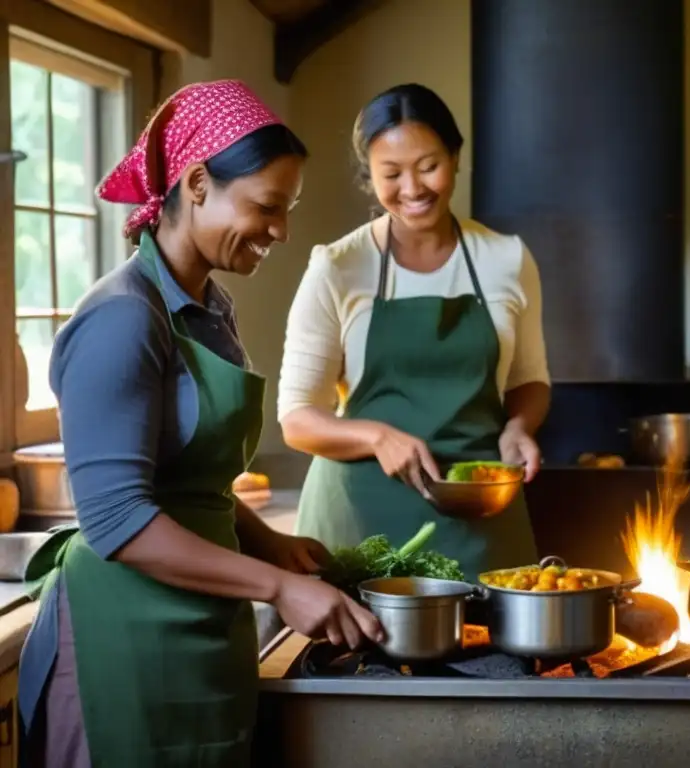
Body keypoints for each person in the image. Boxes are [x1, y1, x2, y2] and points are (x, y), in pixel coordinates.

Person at [18, 80, 383, 768]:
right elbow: (118, 520)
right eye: (266, 207)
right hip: (119, 637)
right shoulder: (124, 317)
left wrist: (269, 543)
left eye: (288, 208)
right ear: (195, 184)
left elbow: (195, 481)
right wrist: (277, 587)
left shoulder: (210, 309)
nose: (280, 230)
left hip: (201, 622)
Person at [278, 83, 550, 578]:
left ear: (456, 156)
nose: (413, 189)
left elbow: (529, 379)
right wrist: (378, 437)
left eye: (428, 166)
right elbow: (297, 420)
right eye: (391, 174)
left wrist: (518, 429)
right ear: (370, 178)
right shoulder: (338, 267)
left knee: (497, 653)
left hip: (481, 516)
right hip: (361, 527)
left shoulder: (506, 259)